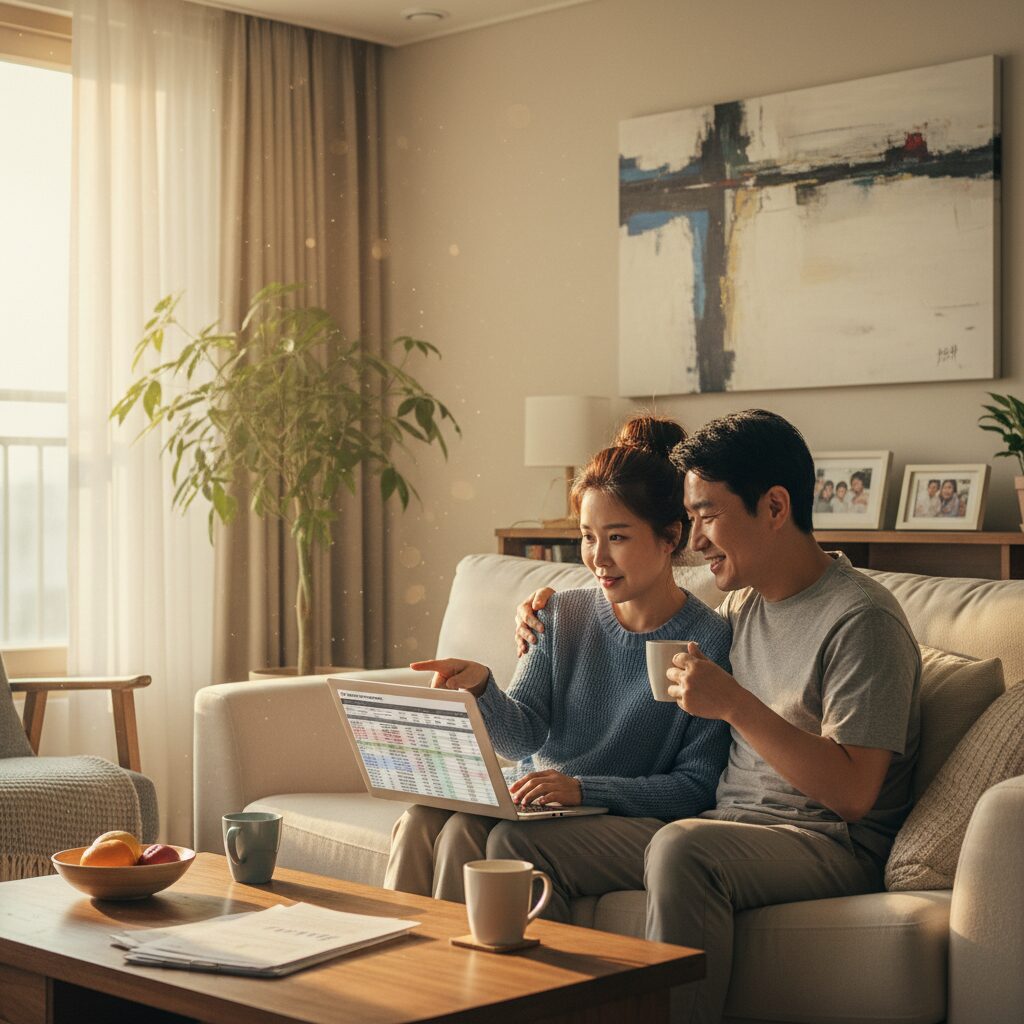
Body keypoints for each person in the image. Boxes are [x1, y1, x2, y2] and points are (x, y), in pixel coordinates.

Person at [516, 409, 920, 1024]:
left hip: (824, 841)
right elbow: (654, 603)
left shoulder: (862, 619)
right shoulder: (743, 605)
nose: (695, 540)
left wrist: (734, 703)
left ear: (775, 507)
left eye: (707, 516)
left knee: (682, 849)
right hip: (723, 823)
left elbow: (853, 794)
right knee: (519, 840)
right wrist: (547, 610)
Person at [383, 415, 733, 920]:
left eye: (617, 537)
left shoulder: (710, 640)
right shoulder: (558, 613)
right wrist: (482, 689)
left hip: (619, 816)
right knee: (428, 820)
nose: (598, 558)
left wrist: (583, 788)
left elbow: (696, 785)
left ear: (669, 536)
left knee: (489, 838)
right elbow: (521, 738)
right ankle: (404, 959)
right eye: (588, 537)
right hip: (537, 803)